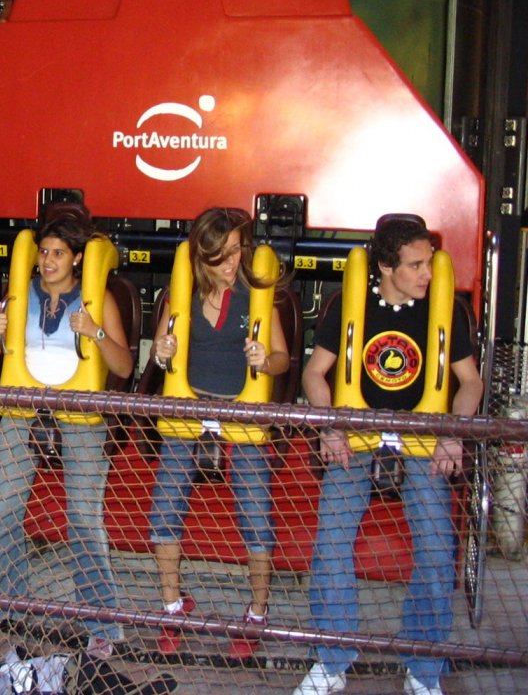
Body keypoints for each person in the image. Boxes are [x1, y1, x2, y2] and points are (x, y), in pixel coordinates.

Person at [293, 215, 482, 695]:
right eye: (416, 265)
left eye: (429, 263)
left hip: (422, 436)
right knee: (330, 542)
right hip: (357, 434)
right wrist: (330, 425)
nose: (427, 274)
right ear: (385, 267)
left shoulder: (443, 306)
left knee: (437, 547)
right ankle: (332, 659)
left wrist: (454, 433)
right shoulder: (349, 303)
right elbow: (315, 373)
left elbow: (470, 382)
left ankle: (423, 667)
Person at [0, 213, 134, 660]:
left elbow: (123, 367)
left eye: (59, 253)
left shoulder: (97, 297)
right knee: (0, 512)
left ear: (77, 258)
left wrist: (95, 332)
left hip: (80, 413)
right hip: (23, 409)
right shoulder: (18, 295)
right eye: (44, 252)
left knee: (82, 518)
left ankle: (101, 622)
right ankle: (2, 603)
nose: (48, 260)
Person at [146, 207, 290, 657]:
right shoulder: (182, 292)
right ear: (202, 255)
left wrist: (265, 360)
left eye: (237, 250)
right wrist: (162, 351)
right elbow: (158, 357)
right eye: (222, 255)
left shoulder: (256, 293)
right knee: (164, 508)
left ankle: (257, 613)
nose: (232, 262)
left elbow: (283, 358)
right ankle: (173, 606)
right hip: (189, 407)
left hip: (241, 410)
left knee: (255, 513)